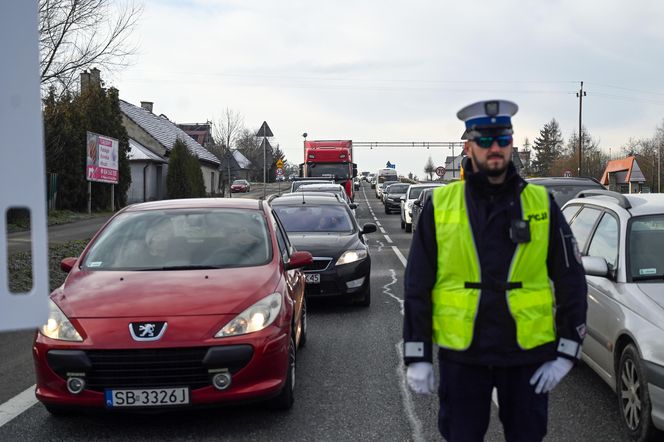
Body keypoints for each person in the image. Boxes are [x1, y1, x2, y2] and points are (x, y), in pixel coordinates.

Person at [402, 99, 588, 441]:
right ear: (468, 146)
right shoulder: (440, 205)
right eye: (484, 140)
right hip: (464, 355)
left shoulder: (541, 204)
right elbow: (417, 284)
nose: (495, 148)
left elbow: (571, 279)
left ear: (512, 143)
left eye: (502, 139)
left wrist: (567, 349)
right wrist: (417, 352)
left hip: (526, 355)